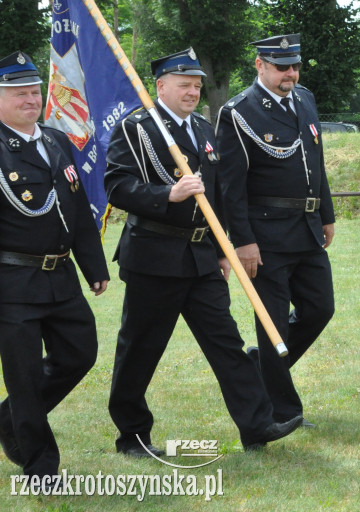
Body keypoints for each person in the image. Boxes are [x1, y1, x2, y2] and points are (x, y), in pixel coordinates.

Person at [105, 49, 303, 456]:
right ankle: (133, 435)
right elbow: (117, 186)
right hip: (154, 258)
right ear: (161, 86)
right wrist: (168, 193)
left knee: (226, 343)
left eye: (197, 85)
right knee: (140, 350)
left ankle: (257, 424)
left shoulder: (204, 129)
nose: (193, 91)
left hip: (201, 258)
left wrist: (221, 249)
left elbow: (217, 195)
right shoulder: (137, 128)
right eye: (184, 84)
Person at [0, 51, 108, 486]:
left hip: (60, 276)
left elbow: (77, 207)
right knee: (24, 376)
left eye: (35, 91)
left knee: (79, 354)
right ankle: (40, 467)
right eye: (19, 93)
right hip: (12, 281)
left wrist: (93, 265)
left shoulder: (56, 140)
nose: (31, 99)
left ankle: (10, 419)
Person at [216, 34, 334, 426]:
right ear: (260, 65)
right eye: (282, 66)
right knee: (274, 325)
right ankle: (283, 408)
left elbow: (316, 163)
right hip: (265, 236)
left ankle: (264, 368)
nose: (290, 73)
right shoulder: (239, 112)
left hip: (307, 227)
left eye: (295, 65)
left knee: (320, 308)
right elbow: (231, 186)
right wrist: (243, 241)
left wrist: (327, 214)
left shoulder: (306, 99)